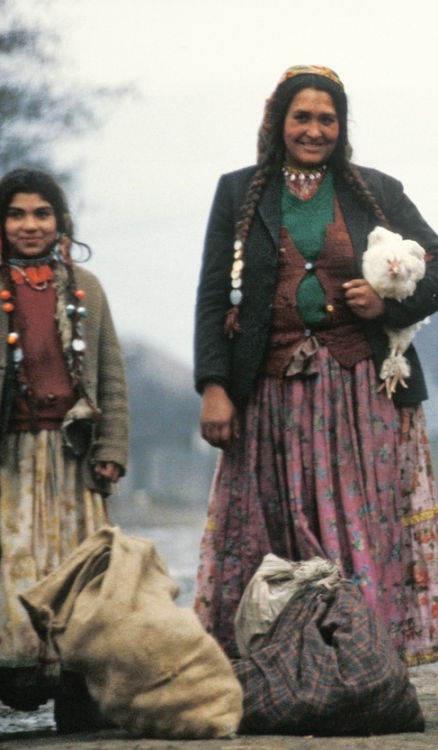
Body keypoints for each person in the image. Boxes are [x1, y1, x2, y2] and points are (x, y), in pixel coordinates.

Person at [194, 65, 438, 665]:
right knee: (278, 526)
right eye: (301, 117)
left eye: (327, 119)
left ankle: (363, 658)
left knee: (361, 524)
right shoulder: (238, 192)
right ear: (278, 122)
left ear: (341, 126)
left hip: (362, 395)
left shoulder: (376, 191)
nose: (314, 129)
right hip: (269, 394)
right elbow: (212, 297)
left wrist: (386, 304)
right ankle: (283, 663)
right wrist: (215, 386)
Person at [0, 168, 129, 743]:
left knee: (79, 578)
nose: (30, 225)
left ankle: (76, 694)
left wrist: (111, 447)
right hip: (5, 463)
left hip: (72, 462)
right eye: (17, 214)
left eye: (42, 214)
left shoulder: (87, 289)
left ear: (61, 222)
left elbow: (111, 377)